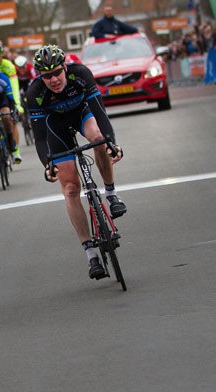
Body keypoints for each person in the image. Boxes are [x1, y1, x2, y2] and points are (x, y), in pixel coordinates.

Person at [26, 45, 126, 281]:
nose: (53, 79)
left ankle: (111, 194)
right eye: (46, 76)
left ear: (65, 67)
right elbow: (40, 138)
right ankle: (91, 254)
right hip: (55, 128)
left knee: (98, 139)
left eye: (56, 73)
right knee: (70, 189)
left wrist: (112, 143)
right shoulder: (35, 92)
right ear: (40, 76)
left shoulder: (80, 74)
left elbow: (100, 112)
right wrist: (47, 164)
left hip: (83, 113)